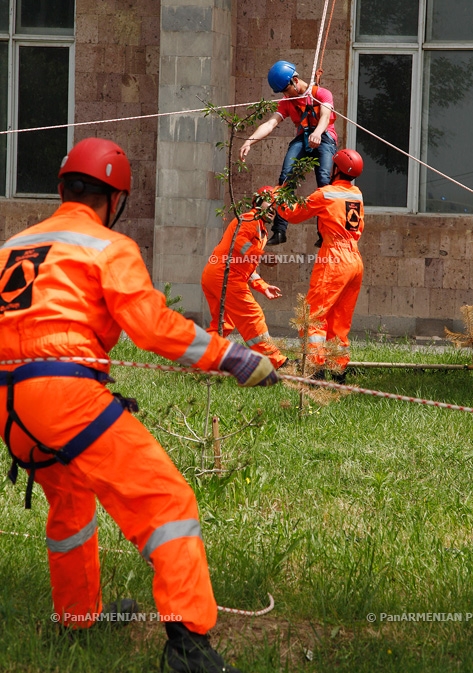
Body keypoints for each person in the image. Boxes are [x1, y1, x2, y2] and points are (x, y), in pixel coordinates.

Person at [0, 137, 279, 673]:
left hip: (8, 408)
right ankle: (189, 645)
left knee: (71, 506)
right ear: (115, 199)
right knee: (167, 506)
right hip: (64, 395)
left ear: (64, 188)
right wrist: (231, 357)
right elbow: (152, 327)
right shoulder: (108, 247)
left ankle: (77, 622)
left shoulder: (15, 245)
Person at [275, 149, 364, 382]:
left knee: (314, 314)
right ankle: (338, 369)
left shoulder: (325, 194)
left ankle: (314, 369)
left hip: (334, 257)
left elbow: (292, 214)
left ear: (336, 169)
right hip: (354, 259)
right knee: (339, 318)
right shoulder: (356, 194)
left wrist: (278, 195)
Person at [239, 60, 338, 246]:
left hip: (324, 137)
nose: (285, 94)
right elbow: (270, 123)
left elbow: (325, 116)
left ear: (295, 80)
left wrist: (317, 133)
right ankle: (279, 230)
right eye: (282, 92)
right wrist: (249, 141)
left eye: (286, 89)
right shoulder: (287, 102)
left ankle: (324, 232)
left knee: (324, 180)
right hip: (303, 138)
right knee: (285, 177)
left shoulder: (321, 93)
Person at [201, 187, 287, 370]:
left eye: (276, 205)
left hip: (217, 274)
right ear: (257, 202)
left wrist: (262, 286)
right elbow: (240, 243)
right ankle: (277, 362)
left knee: (222, 325)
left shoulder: (259, 228)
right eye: (269, 202)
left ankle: (198, 361)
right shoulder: (250, 218)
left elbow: (247, 266)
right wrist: (261, 255)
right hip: (226, 275)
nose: (273, 207)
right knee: (252, 316)